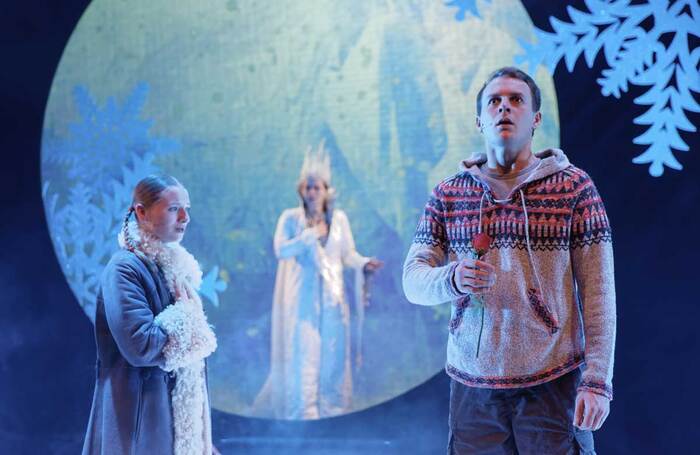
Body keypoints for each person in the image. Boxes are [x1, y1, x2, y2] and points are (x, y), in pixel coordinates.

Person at [403, 67, 616, 454]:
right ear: (479, 119)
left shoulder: (574, 188)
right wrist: (452, 278)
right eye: (494, 101)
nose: (504, 107)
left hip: (553, 380)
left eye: (516, 100)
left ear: (535, 119)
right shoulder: (450, 194)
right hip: (473, 386)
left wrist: (597, 380)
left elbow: (599, 292)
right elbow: (413, 280)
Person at [82, 175, 218, 454]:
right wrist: (184, 316)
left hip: (171, 427)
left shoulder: (172, 269)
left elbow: (187, 360)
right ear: (142, 213)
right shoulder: (124, 269)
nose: (185, 217)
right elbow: (140, 346)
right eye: (173, 208)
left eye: (186, 208)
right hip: (137, 425)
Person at [253, 142, 383, 420]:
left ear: (326, 191)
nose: (312, 192)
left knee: (334, 359)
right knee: (304, 359)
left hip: (334, 302)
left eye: (317, 187)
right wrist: (308, 236)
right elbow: (281, 249)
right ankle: (304, 420)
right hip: (303, 303)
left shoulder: (339, 221)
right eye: (307, 187)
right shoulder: (291, 219)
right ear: (301, 190)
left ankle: (333, 417)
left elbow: (346, 254)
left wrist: (363, 264)